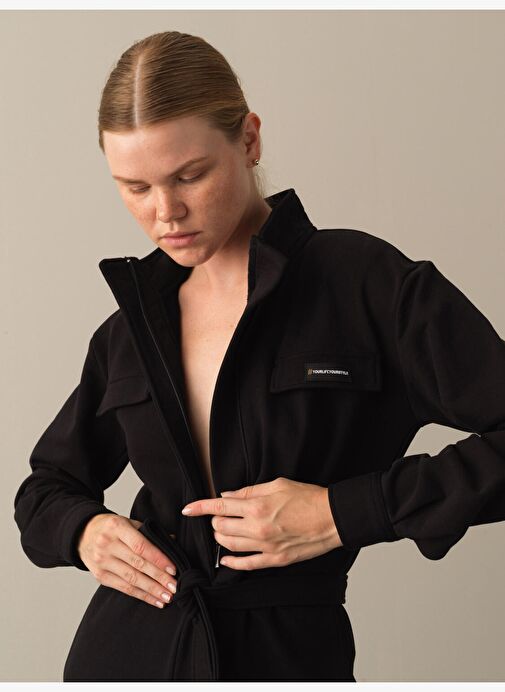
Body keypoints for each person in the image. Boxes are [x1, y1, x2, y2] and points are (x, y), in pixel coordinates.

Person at [13, 30, 505, 683]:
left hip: (288, 657)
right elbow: (44, 490)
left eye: (189, 175)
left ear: (248, 140)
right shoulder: (130, 331)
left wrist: (341, 513)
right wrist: (84, 533)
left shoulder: (364, 284)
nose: (165, 213)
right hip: (124, 655)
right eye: (134, 187)